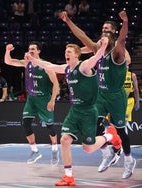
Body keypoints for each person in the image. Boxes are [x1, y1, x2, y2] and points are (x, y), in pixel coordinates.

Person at [26, 37, 122, 186]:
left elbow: (96, 58)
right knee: (64, 140)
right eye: (65, 51)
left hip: (88, 112)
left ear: (77, 54)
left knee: (88, 148)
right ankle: (69, 176)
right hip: (74, 111)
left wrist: (103, 46)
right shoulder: (67, 69)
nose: (66, 53)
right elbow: (49, 65)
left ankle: (111, 135)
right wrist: (33, 59)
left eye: (69, 51)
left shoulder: (83, 66)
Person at [59, 10, 136, 179]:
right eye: (102, 29)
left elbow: (122, 39)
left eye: (107, 29)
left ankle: (129, 160)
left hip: (116, 96)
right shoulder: (97, 49)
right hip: (100, 94)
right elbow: (82, 37)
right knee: (94, 124)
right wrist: (68, 21)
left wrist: (125, 21)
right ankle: (108, 151)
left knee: (122, 131)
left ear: (113, 33)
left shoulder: (117, 52)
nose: (104, 32)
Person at [5, 42, 60, 165]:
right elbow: (8, 62)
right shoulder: (26, 63)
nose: (31, 51)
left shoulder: (45, 66)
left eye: (33, 49)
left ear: (38, 51)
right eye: (29, 49)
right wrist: (8, 50)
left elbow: (56, 83)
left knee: (50, 127)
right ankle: (35, 151)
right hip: (31, 98)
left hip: (44, 98)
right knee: (26, 123)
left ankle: (55, 149)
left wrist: (52, 100)